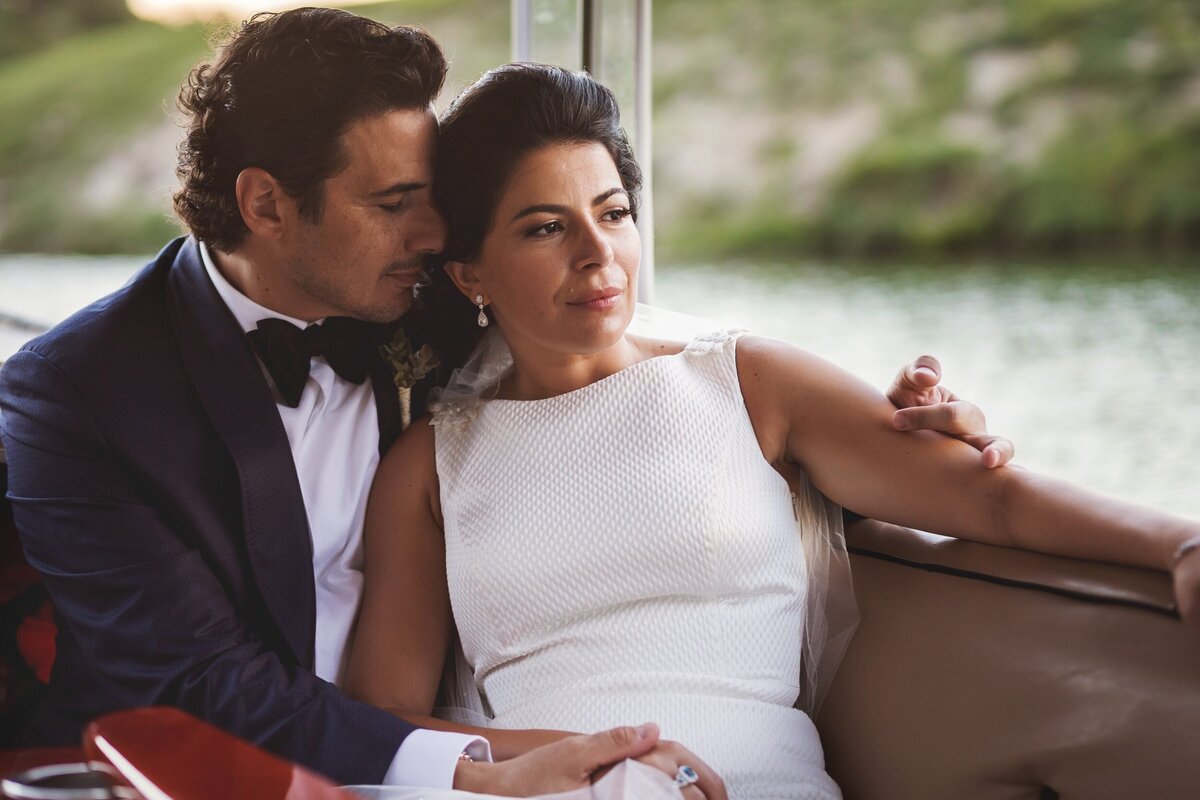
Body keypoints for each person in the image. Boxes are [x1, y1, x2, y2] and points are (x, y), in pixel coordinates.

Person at [0, 7, 1009, 795]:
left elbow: (631, 360)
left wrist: (890, 436)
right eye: (394, 203)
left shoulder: (435, 293)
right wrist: (489, 763)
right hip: (185, 772)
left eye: (430, 194)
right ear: (266, 204)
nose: (437, 230)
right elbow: (199, 691)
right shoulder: (74, 397)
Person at [346, 63, 1200, 799]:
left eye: (612, 213)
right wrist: (580, 761)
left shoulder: (745, 380)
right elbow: (379, 723)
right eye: (545, 228)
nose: (597, 256)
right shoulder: (429, 465)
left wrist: (1181, 545)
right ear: (469, 274)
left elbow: (994, 501)